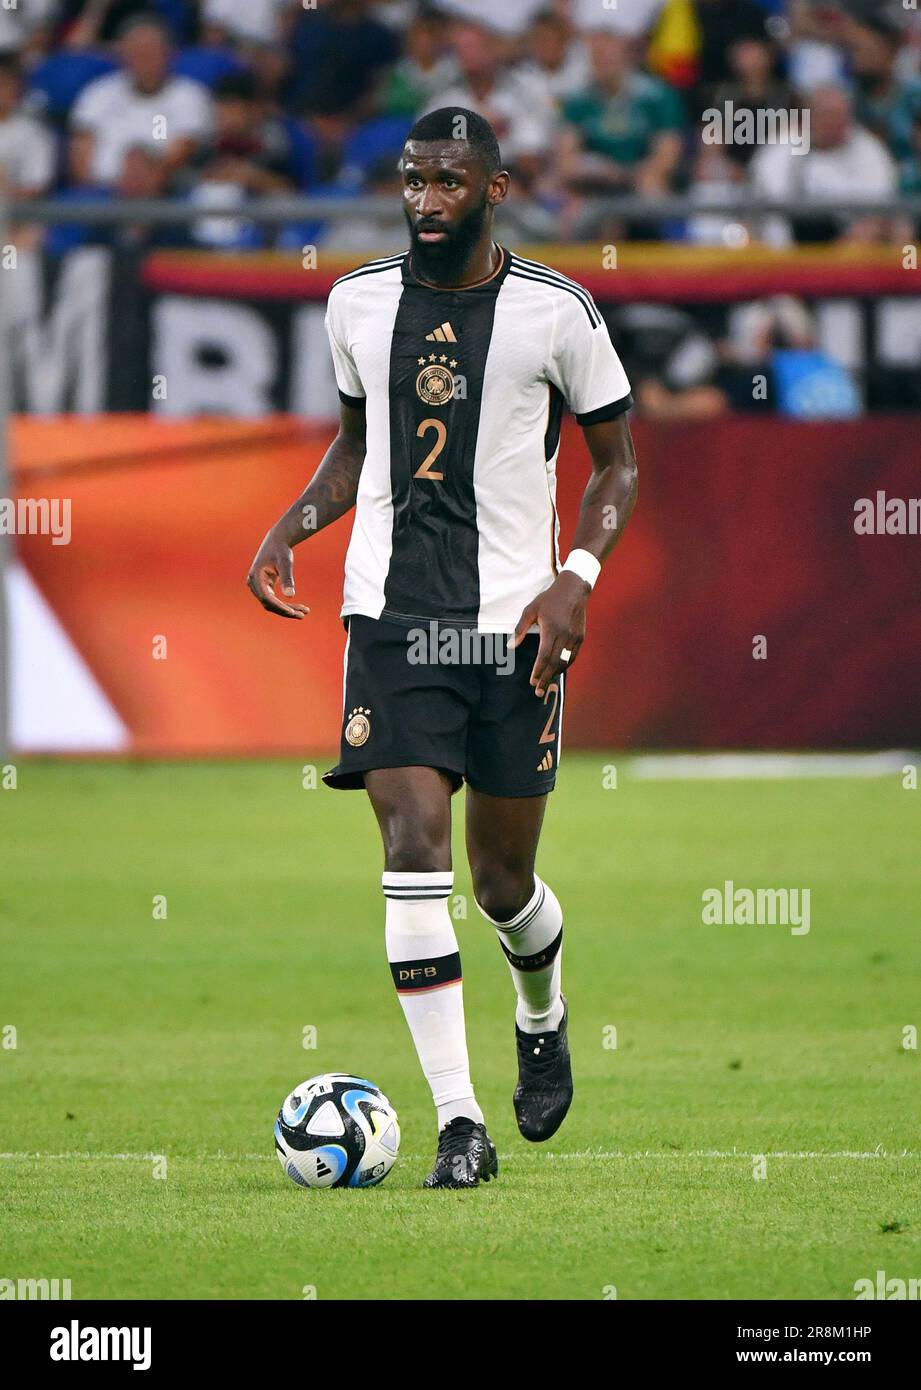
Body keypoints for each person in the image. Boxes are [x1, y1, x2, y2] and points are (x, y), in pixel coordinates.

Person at [247, 107, 638, 1189]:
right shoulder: (356, 302)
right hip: (391, 621)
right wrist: (293, 525)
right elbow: (356, 445)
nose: (426, 200)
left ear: (496, 189)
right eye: (414, 180)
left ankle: (542, 1009)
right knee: (413, 837)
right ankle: (461, 1121)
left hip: (517, 626)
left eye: (449, 182)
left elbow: (619, 467)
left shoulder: (557, 312)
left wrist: (576, 580)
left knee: (504, 879)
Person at [68, 12, 212, 188]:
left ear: (169, 55)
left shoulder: (187, 96)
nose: (145, 61)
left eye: (152, 52)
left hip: (160, 191)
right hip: (102, 192)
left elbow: (179, 152)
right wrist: (90, 191)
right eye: (137, 53)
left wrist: (141, 182)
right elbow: (81, 150)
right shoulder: (99, 93)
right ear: (124, 56)